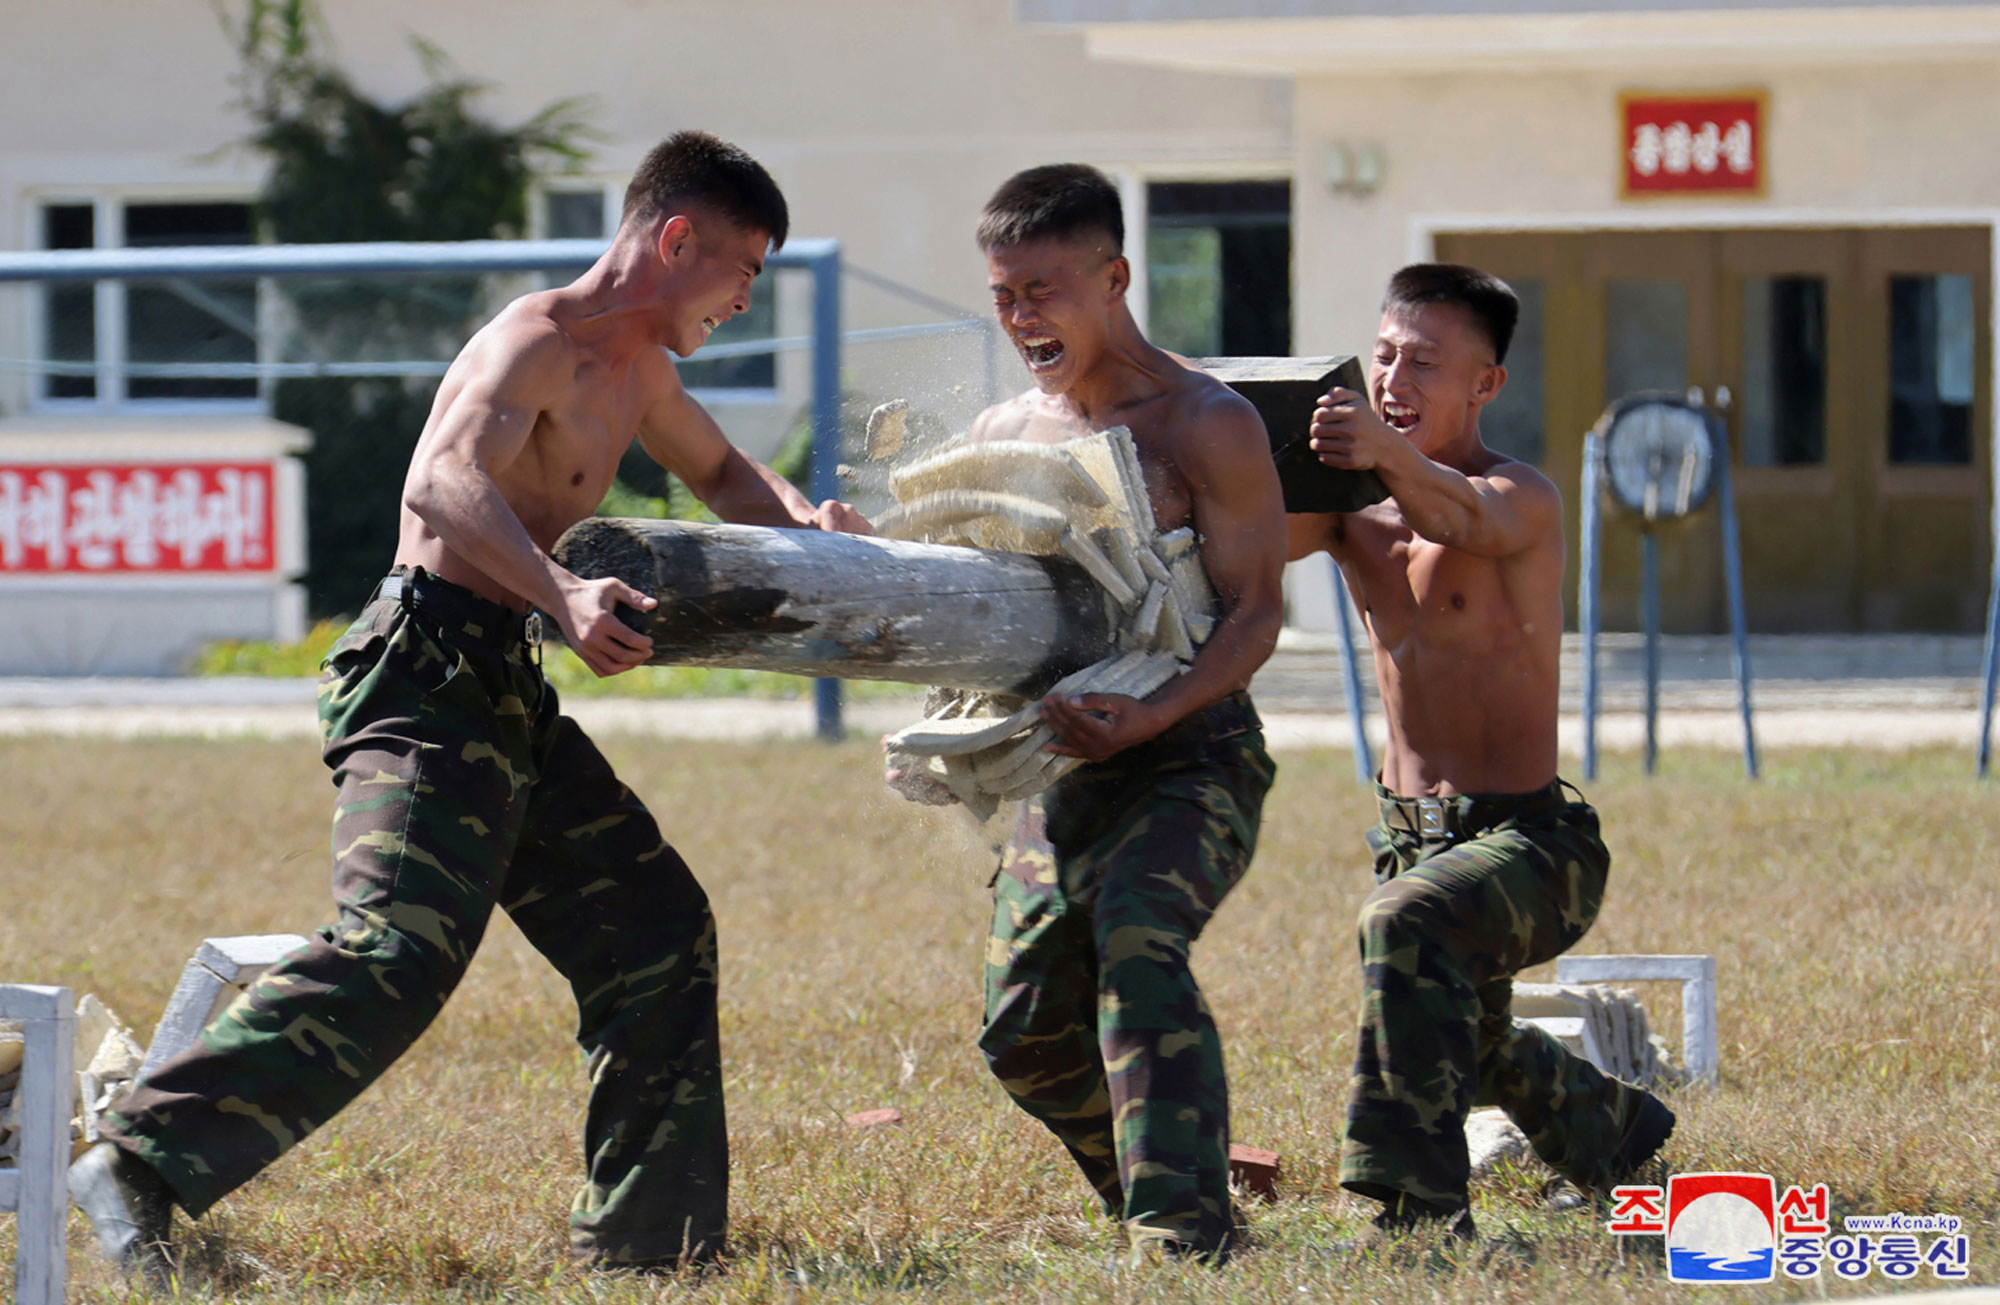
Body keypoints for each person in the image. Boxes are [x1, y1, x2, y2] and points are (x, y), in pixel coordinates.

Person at [70, 130, 870, 1282]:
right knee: (396, 949)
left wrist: (812, 525)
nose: (747, 299)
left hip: (502, 685)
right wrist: (561, 590)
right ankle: (136, 1161)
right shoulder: (534, 340)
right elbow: (440, 480)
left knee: (652, 928)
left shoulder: (641, 368)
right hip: (421, 670)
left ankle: (652, 1248)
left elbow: (730, 479)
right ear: (676, 237)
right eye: (742, 269)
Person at [910, 164, 1287, 1263]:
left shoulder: (1202, 422)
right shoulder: (1003, 430)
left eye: (1044, 288)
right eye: (1002, 295)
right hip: (1057, 770)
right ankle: (1161, 1186)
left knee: (1135, 942)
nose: (1022, 316)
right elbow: (966, 600)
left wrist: (1158, 711)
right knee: (1022, 1032)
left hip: (1191, 759)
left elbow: (1256, 616)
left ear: (1115, 276)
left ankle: (1184, 1237)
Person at [1288, 263, 1674, 1242]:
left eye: (1421, 362)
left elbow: (1455, 515)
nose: (1392, 380)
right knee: (1468, 1028)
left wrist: (1380, 454)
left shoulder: (1521, 496)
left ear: (1483, 385)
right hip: (1410, 835)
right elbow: (1231, 542)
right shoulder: (1346, 509)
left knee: (1406, 924)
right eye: (1381, 356)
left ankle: (1413, 1218)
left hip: (1533, 847)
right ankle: (1614, 1136)